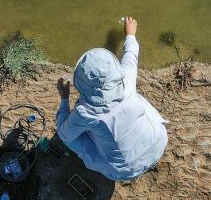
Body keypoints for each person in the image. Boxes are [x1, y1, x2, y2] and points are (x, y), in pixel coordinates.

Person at [56, 16, 168, 182]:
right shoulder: (127, 82)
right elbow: (130, 56)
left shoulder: (85, 113)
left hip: (124, 171)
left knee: (67, 135)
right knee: (135, 99)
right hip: (158, 143)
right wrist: (130, 34)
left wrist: (65, 98)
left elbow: (65, 135)